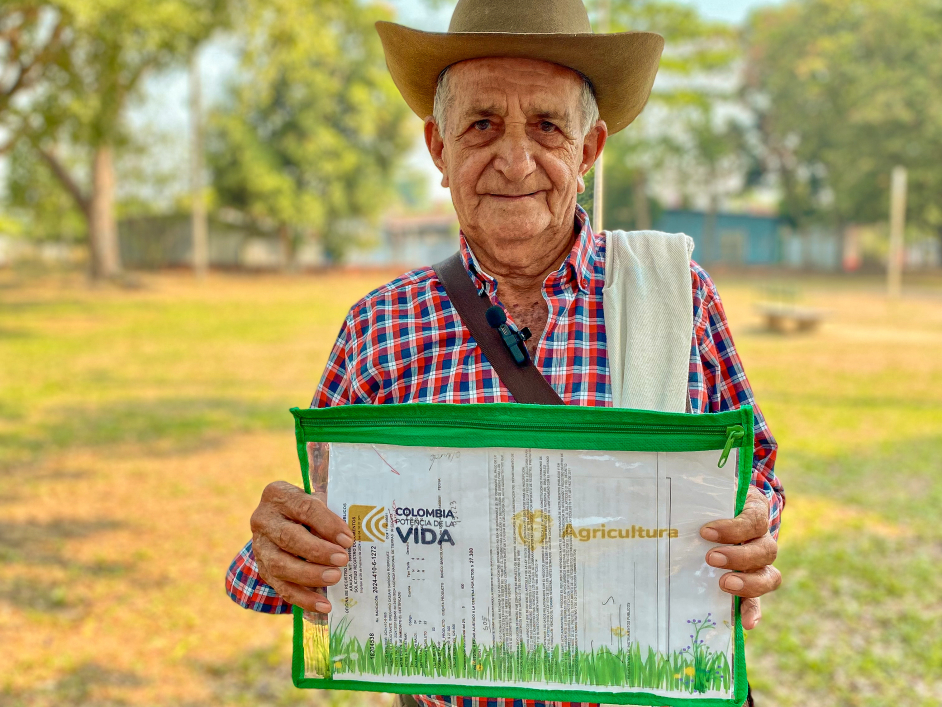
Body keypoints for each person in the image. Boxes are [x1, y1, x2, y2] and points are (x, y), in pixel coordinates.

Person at [226, 0, 784, 705]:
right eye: (482, 123)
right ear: (439, 149)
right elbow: (313, 535)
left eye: (547, 126)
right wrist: (281, 545)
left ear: (587, 151)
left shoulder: (677, 295)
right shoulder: (381, 326)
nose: (515, 160)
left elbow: (755, 467)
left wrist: (755, 520)